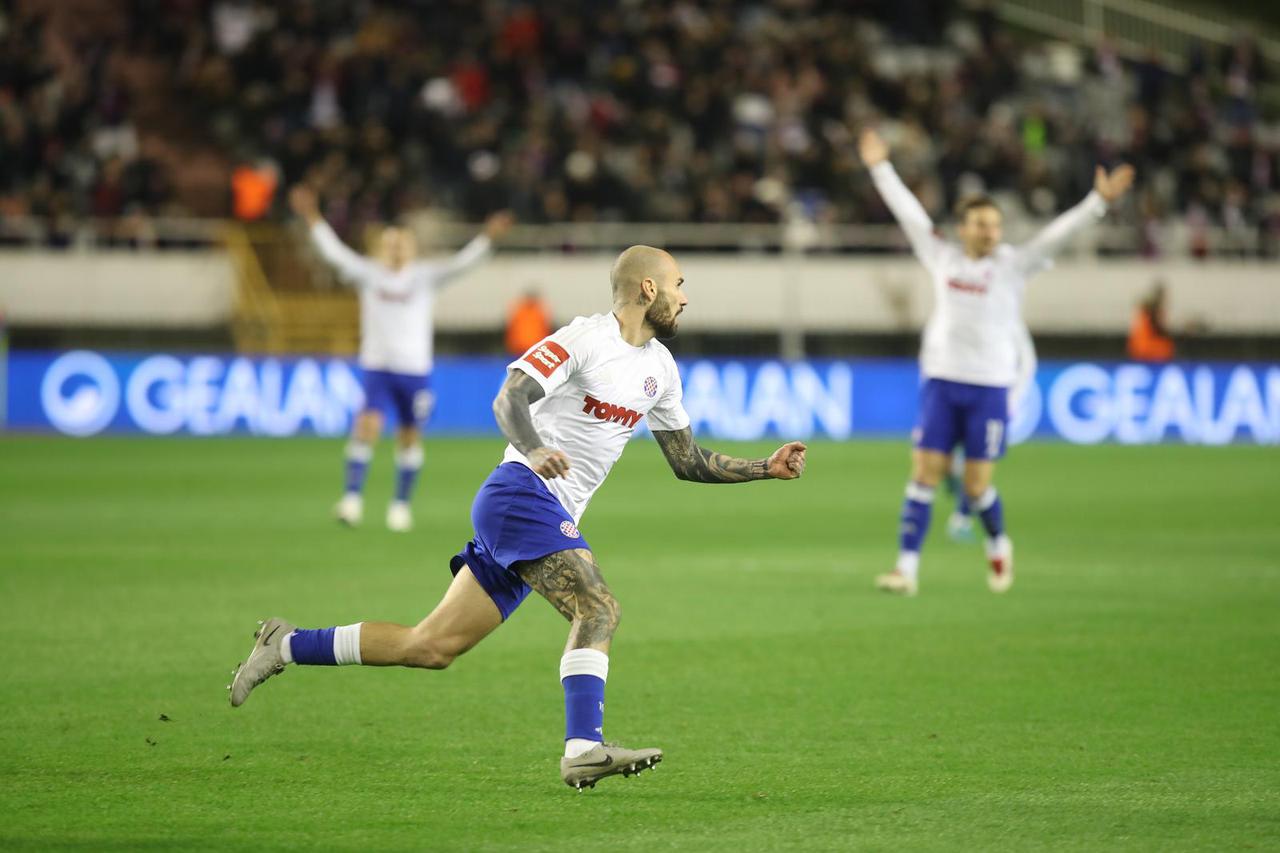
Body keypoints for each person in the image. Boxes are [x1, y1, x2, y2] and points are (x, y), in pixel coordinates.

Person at [228, 245, 808, 790]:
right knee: (597, 606)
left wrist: (765, 466)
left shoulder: (661, 368)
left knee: (429, 646)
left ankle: (285, 645)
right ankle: (584, 748)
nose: (685, 297)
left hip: (539, 511)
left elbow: (688, 461)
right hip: (520, 491)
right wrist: (532, 448)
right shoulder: (584, 339)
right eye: (679, 285)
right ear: (648, 288)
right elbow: (509, 396)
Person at [858, 128, 1134, 596]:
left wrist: (1097, 203)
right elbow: (909, 215)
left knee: (974, 487)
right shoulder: (941, 254)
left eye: (995, 225)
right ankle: (906, 570)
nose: (991, 232)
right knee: (923, 475)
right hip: (942, 383)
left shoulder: (1012, 265)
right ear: (963, 227)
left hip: (989, 389)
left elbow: (1056, 235)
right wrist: (880, 168)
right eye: (982, 224)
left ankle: (999, 542)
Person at [289, 186, 513, 532]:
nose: (395, 248)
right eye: (390, 243)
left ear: (411, 248)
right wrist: (312, 217)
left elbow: (461, 264)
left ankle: (400, 505)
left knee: (409, 435)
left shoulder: (424, 278)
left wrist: (487, 237)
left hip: (414, 371)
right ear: (381, 247)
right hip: (377, 366)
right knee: (367, 427)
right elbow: (333, 253)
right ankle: (351, 500)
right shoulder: (368, 273)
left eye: (401, 243)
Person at [945, 322, 1037, 542]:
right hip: (958, 395)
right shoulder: (963, 318)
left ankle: (962, 517)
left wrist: (1011, 399)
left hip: (990, 401)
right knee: (948, 461)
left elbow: (1027, 362)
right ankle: (961, 506)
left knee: (975, 466)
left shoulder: (1009, 322)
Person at [1127, 281, 1175, 362]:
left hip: (1137, 346)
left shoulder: (1147, 309)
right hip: (1146, 347)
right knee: (1168, 346)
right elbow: (1158, 328)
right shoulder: (1152, 310)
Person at [505, 288, 552, 356]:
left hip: (533, 346)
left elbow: (544, 329)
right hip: (520, 347)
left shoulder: (539, 312)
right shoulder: (520, 311)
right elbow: (513, 328)